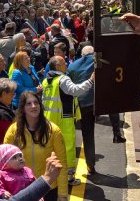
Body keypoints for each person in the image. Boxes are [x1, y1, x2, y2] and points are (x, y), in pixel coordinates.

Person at [4, 92, 69, 201]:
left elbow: (61, 163)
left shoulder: (54, 130)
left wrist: (62, 195)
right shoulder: (13, 131)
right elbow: (4, 163)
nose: (33, 106)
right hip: (23, 190)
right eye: (29, 104)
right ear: (23, 108)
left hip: (49, 188)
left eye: (36, 103)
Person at [41, 56, 94, 186]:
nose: (67, 64)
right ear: (58, 66)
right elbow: (75, 91)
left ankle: (53, 176)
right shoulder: (63, 79)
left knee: (52, 148)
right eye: (64, 62)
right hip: (64, 120)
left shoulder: (46, 81)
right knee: (68, 148)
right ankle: (69, 177)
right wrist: (91, 81)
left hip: (48, 120)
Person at [66, 46, 97, 174]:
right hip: (90, 102)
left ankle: (68, 166)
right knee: (88, 134)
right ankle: (90, 164)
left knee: (70, 134)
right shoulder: (95, 61)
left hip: (76, 103)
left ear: (82, 54)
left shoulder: (72, 66)